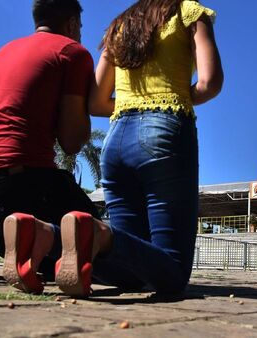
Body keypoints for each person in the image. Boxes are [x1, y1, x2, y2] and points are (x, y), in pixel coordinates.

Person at [58, 0, 223, 297]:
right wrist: (173, 95)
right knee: (171, 272)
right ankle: (94, 233)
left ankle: (45, 237)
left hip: (116, 138)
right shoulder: (190, 12)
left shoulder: (120, 25)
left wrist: (129, 102)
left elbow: (95, 103)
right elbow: (210, 82)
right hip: (164, 132)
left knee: (131, 272)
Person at [0, 0, 101, 282]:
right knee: (86, 230)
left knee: (30, 222)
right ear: (73, 24)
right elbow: (72, 142)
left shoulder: (4, 52)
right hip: (19, 177)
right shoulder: (72, 53)